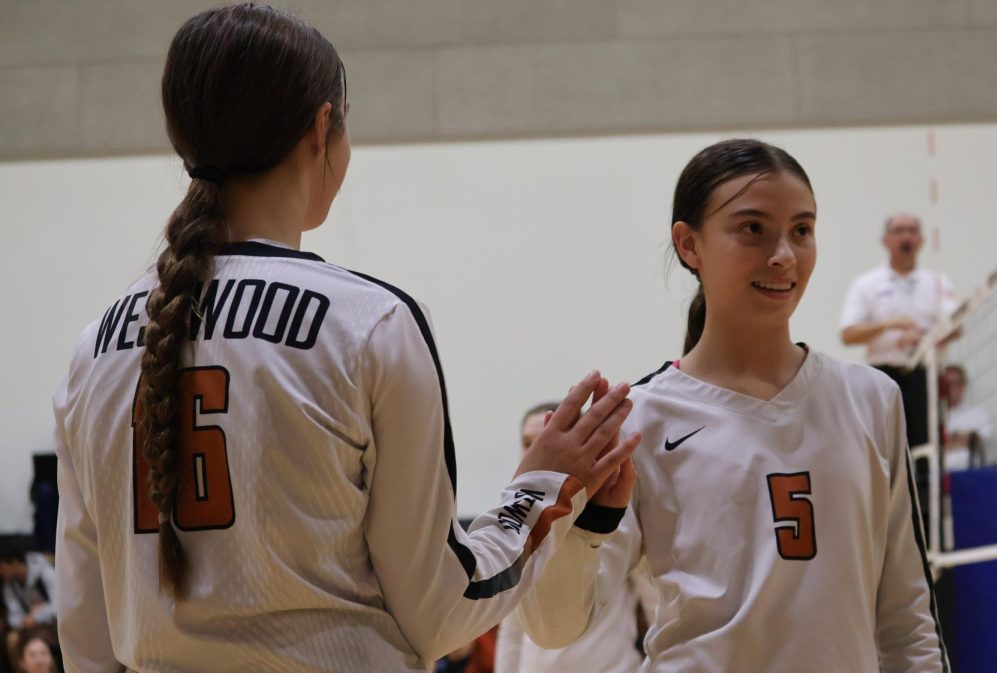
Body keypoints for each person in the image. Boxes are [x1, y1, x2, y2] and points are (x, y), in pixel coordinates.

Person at [52, 6, 638, 672]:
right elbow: (443, 612)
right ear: (322, 126)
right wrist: (539, 486)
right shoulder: (372, 322)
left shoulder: (92, 347)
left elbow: (85, 633)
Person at [518, 139, 947, 672]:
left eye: (802, 230)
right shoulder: (641, 420)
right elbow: (556, 626)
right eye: (753, 229)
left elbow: (907, 618)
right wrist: (557, 511)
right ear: (689, 245)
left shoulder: (873, 398)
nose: (784, 255)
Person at [495, 403, 643, 673]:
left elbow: (654, 602)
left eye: (543, 443)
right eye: (528, 444)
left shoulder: (613, 509)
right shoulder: (516, 522)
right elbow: (511, 629)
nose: (535, 453)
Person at [840, 212, 958, 450]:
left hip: (925, 377)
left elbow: (956, 327)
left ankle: (927, 488)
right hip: (882, 377)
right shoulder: (866, 284)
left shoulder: (937, 281)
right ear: (885, 240)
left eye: (912, 231)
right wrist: (890, 326)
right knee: (885, 450)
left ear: (921, 240)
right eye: (898, 231)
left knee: (927, 451)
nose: (906, 237)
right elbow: (848, 334)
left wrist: (924, 338)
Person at [1, 542, 56, 670]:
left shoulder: (45, 570)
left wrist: (38, 615)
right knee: (12, 639)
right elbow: (13, 615)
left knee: (37, 643)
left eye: (1, 566)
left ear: (13, 562)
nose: (1, 571)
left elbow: (59, 605)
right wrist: (27, 619)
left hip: (52, 623)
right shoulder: (10, 583)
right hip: (28, 624)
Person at [943, 364, 992, 471]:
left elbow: (981, 439)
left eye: (955, 384)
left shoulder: (977, 414)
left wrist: (949, 440)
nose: (951, 388)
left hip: (971, 475)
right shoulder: (936, 419)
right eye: (947, 384)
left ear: (963, 385)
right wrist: (963, 438)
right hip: (942, 479)